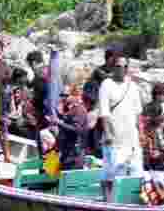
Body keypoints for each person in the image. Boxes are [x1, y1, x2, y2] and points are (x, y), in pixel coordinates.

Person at [97, 55, 144, 200]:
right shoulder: (107, 84)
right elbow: (104, 112)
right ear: (113, 68)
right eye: (118, 66)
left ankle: (131, 204)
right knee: (112, 174)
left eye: (125, 67)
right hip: (114, 138)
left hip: (131, 138)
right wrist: (108, 134)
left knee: (136, 173)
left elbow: (138, 113)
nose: (122, 69)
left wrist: (141, 134)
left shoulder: (133, 86)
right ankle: (109, 204)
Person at [51, 84, 88, 170]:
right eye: (62, 95)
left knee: (67, 179)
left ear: (74, 95)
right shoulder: (68, 108)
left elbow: (76, 129)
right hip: (63, 151)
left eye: (66, 95)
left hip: (73, 156)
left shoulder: (79, 110)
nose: (63, 98)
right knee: (47, 172)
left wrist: (59, 122)